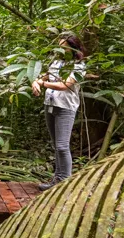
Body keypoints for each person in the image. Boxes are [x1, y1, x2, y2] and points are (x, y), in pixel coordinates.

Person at [31, 32, 87, 191]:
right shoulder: (55, 62)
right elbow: (43, 76)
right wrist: (36, 82)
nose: (61, 50)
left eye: (64, 47)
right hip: (50, 105)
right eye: (59, 47)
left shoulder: (79, 65)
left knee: (62, 146)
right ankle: (57, 180)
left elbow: (65, 85)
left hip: (65, 107)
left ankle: (65, 184)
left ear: (73, 48)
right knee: (56, 145)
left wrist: (42, 84)